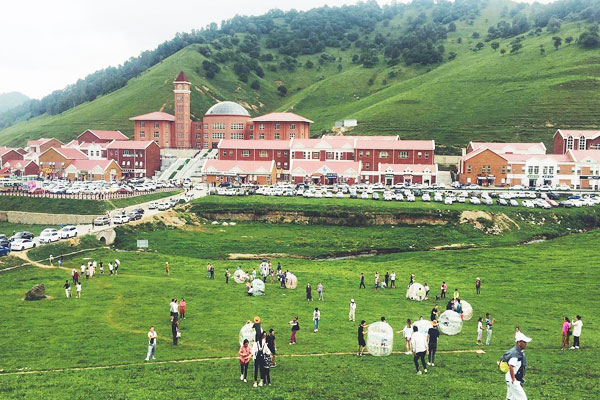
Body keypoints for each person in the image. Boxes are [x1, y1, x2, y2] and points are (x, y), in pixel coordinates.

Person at [501, 331, 531, 400]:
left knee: (510, 398)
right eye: (524, 342)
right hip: (513, 380)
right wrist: (513, 380)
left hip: (510, 379)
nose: (525, 344)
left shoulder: (518, 352)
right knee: (523, 398)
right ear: (519, 343)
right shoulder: (515, 354)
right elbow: (511, 366)